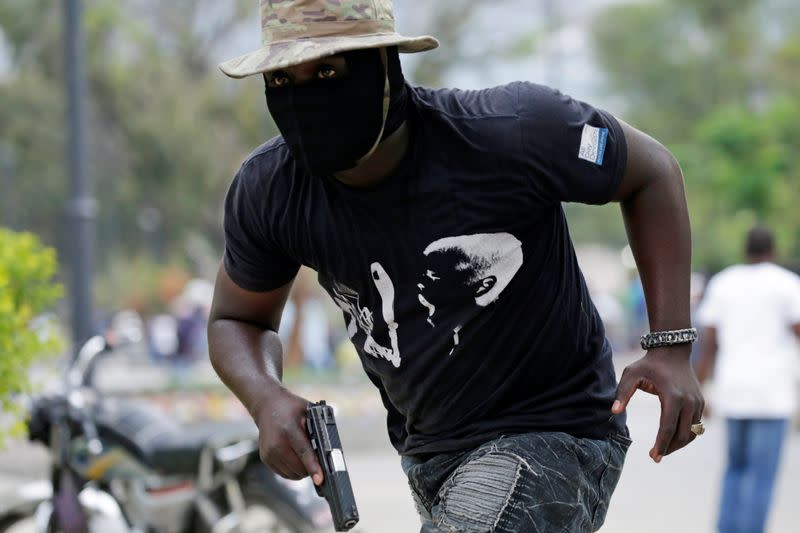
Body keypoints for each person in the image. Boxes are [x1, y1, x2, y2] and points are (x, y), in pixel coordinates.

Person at [208, 1, 704, 531]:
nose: (304, 96)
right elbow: (237, 320)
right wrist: (265, 398)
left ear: (385, 67)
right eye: (281, 78)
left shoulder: (512, 130)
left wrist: (671, 347)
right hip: (428, 450)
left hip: (555, 430)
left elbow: (651, 171)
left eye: (328, 70)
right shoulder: (271, 191)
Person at [695, 226, 800, 533]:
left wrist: (700, 388)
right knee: (761, 475)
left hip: (733, 389)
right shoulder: (787, 284)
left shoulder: (724, 282)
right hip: (772, 394)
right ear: (774, 251)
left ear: (745, 251)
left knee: (735, 469)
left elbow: (709, 343)